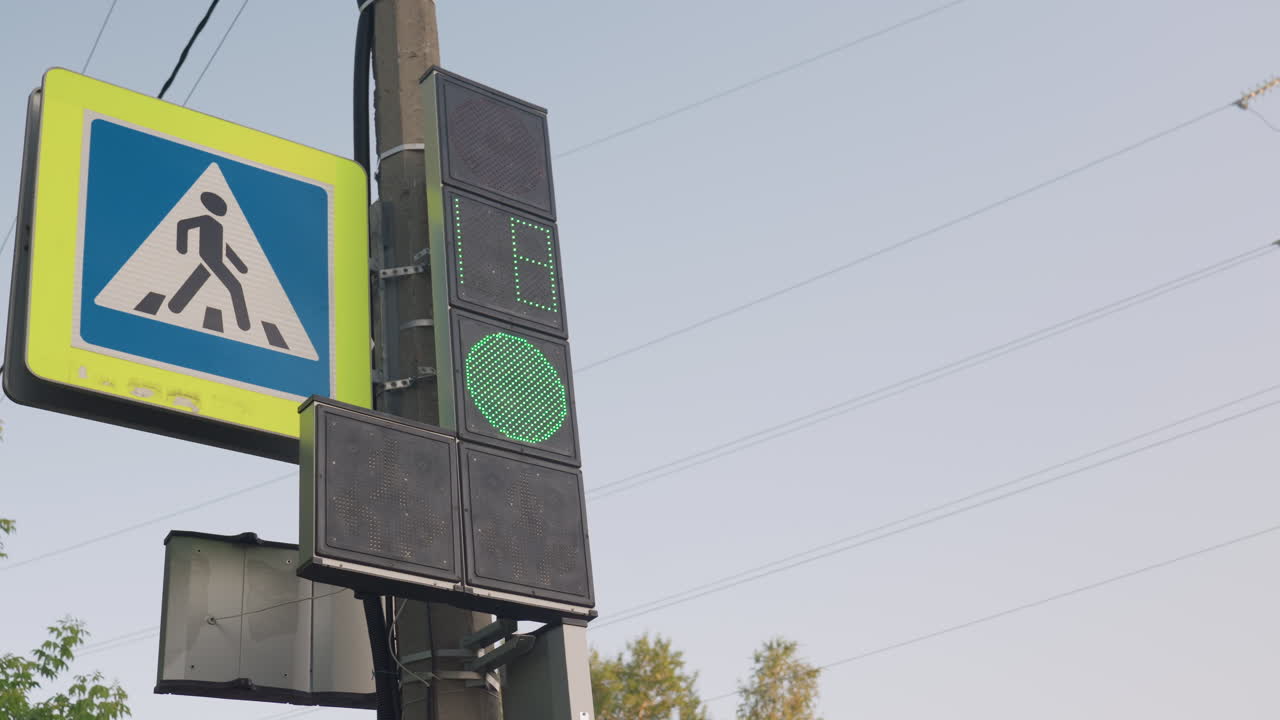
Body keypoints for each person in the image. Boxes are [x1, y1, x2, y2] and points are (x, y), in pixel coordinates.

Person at [167, 191, 251, 331]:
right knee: (235, 286)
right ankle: (244, 326)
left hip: (214, 259)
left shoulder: (218, 226)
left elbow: (224, 247)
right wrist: (182, 247)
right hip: (209, 258)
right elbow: (183, 225)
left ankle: (174, 306)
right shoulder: (205, 219)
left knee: (196, 281)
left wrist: (240, 266)